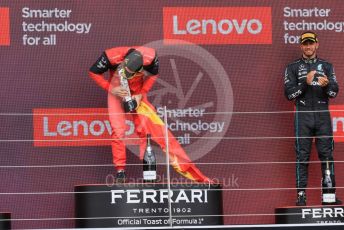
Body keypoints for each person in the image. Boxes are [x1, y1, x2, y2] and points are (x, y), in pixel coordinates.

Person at [89, 46, 210, 183]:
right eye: (125, 70)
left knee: (146, 130)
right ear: (122, 62)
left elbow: (154, 75)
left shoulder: (151, 58)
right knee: (118, 131)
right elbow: (93, 72)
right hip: (117, 92)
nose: (128, 74)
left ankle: (148, 172)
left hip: (137, 93)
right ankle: (120, 172)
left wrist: (141, 94)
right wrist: (111, 89)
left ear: (141, 69)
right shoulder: (111, 56)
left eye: (131, 73)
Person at [284, 31, 340, 206]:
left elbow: (334, 93)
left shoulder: (327, 66)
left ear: (317, 44)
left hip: (322, 114)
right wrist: (304, 83)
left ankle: (329, 196)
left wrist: (327, 85)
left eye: (311, 43)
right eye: (305, 44)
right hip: (303, 115)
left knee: (327, 155)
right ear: (301, 46)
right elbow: (289, 94)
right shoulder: (292, 67)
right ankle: (301, 196)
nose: (308, 47)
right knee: (302, 156)